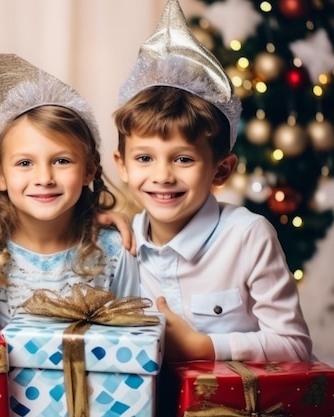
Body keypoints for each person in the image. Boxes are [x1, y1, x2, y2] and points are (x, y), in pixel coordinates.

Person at [112, 0, 312, 362]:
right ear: (122, 165)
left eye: (184, 159)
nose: (162, 176)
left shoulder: (248, 236)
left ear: (221, 170)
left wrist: (204, 347)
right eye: (144, 158)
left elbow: (295, 346)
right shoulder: (120, 245)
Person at [0, 53, 140, 329]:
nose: (44, 178)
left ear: (89, 170)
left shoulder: (114, 250)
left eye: (61, 161)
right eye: (25, 163)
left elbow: (135, 336)